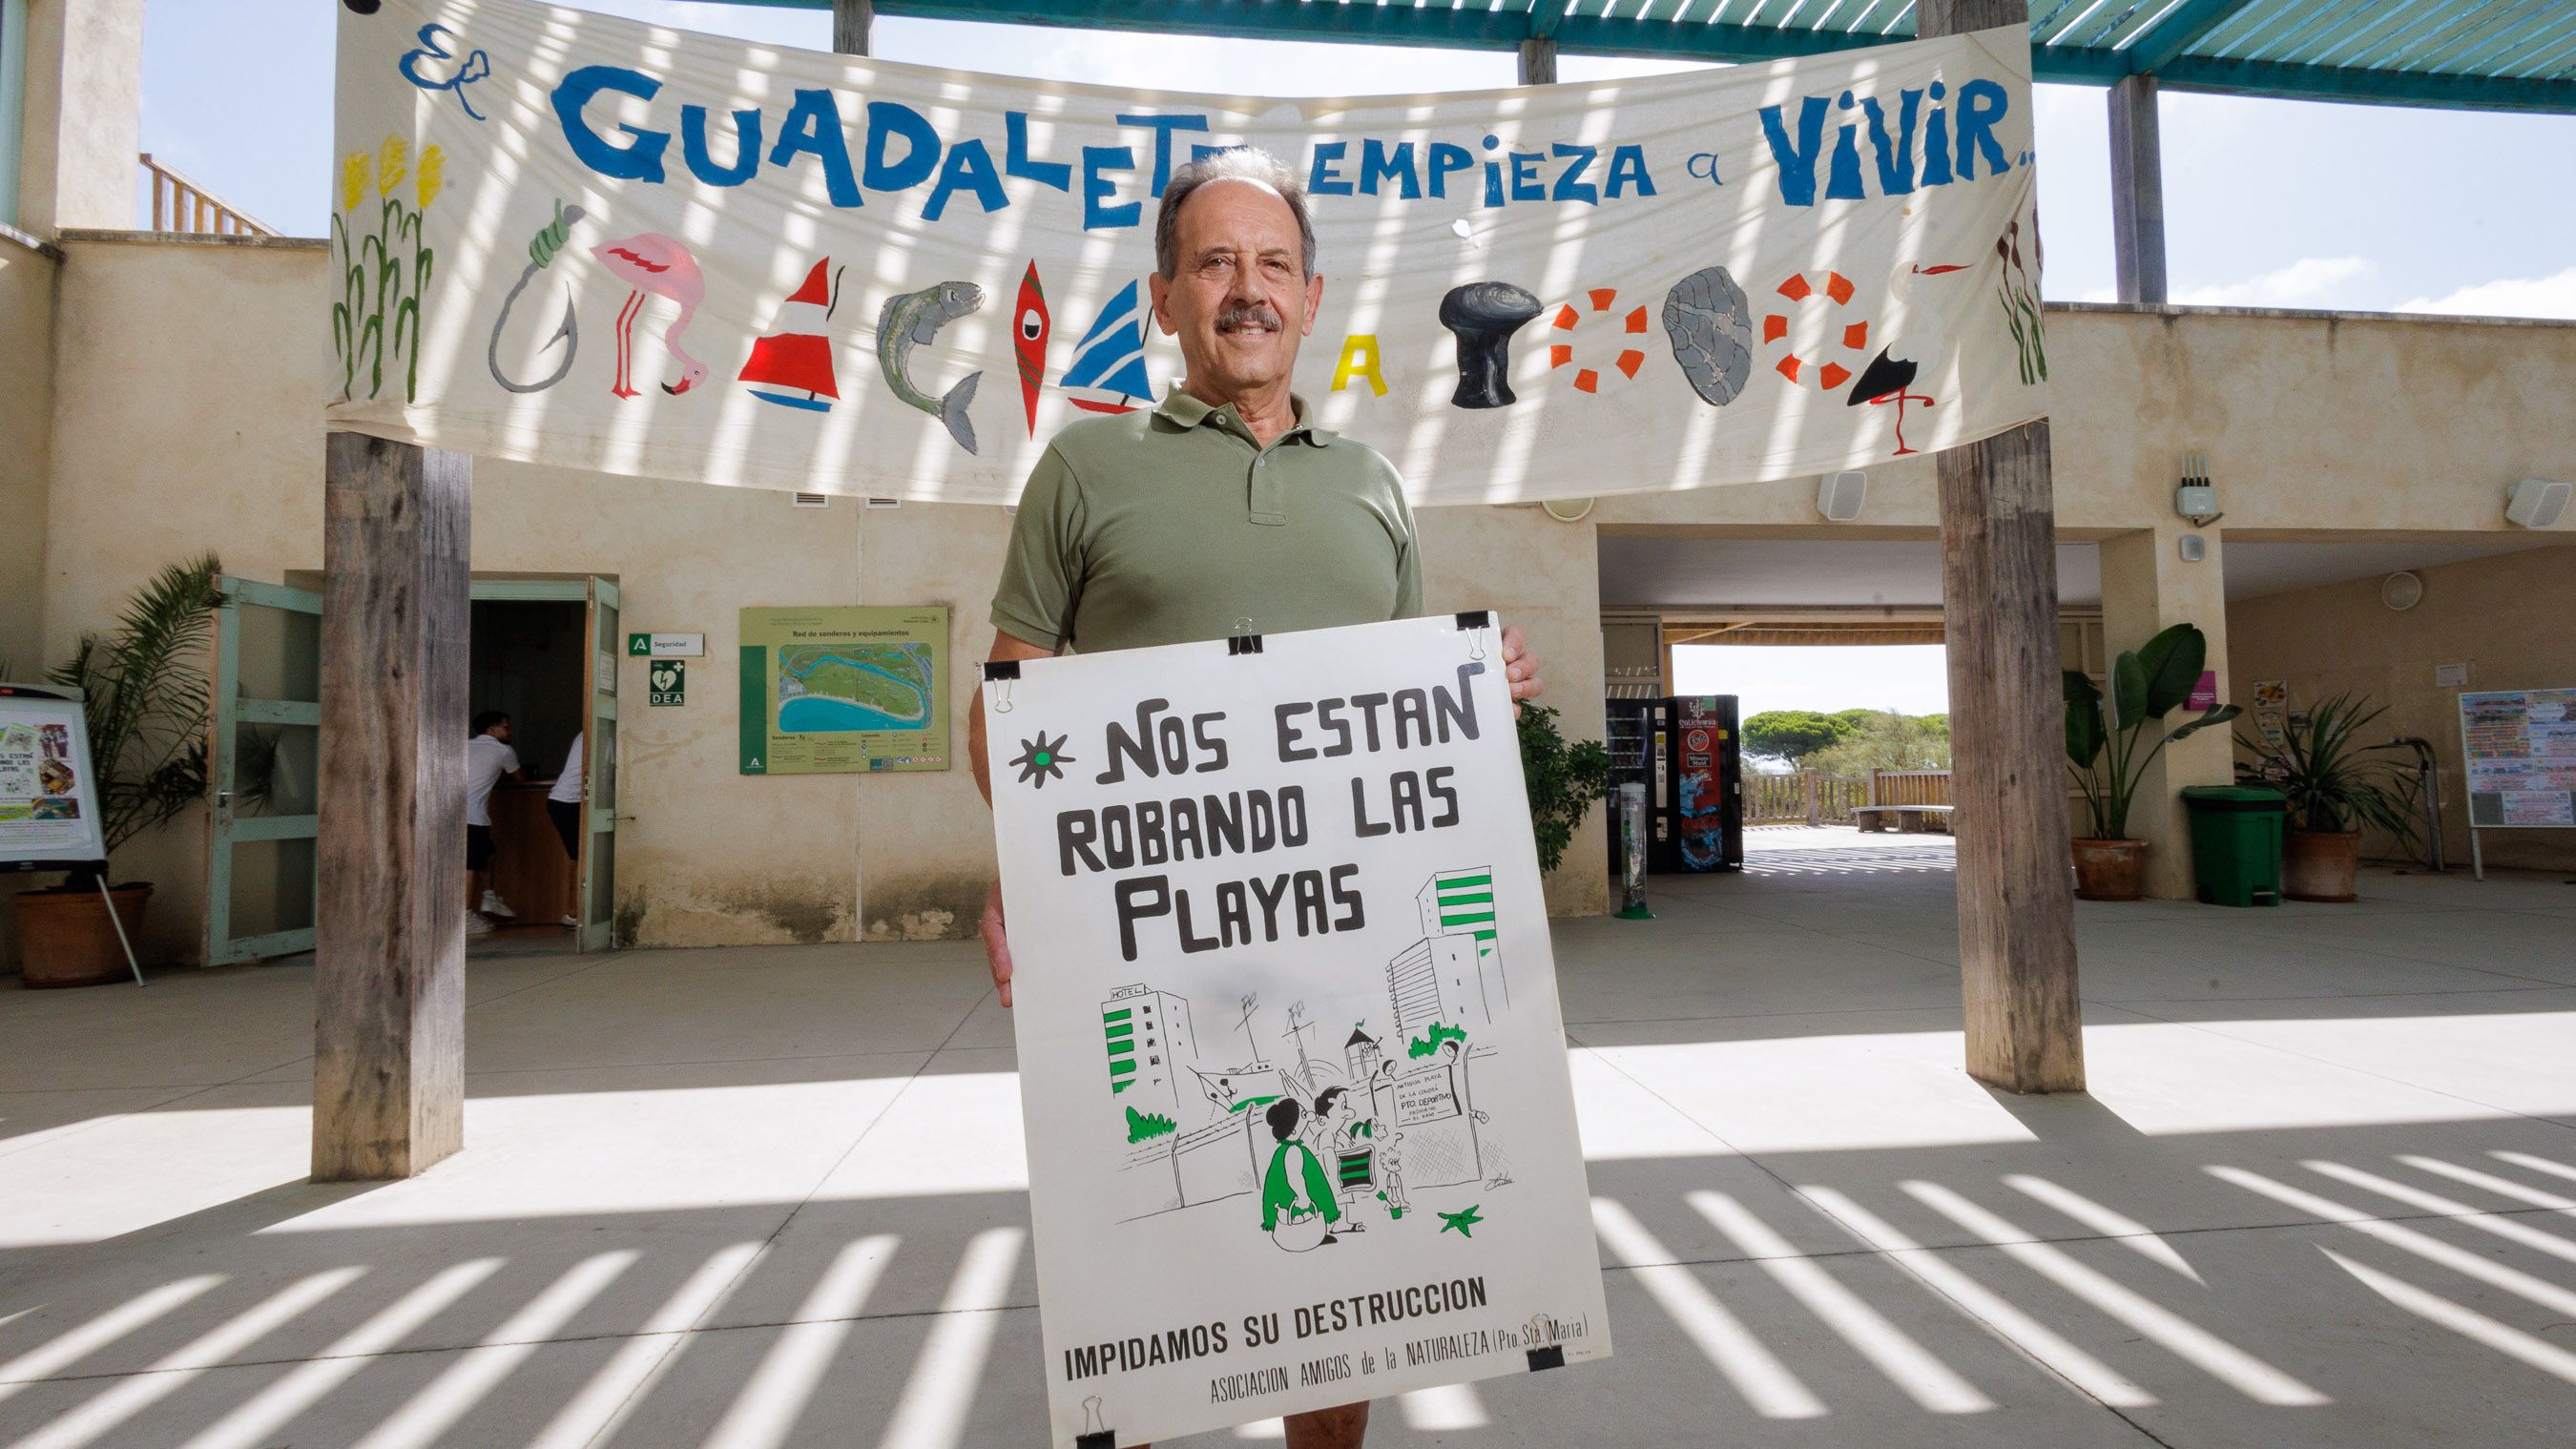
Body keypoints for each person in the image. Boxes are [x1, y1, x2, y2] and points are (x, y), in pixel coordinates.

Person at [967, 148, 1545, 1449]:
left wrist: (1480, 683)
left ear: (1312, 293)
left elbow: (1415, 729)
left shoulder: (1372, 483)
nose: (1247, 288)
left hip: (1341, 941)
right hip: (1149, 934)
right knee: (1153, 1270)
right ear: (1165, 297)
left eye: (1272, 263)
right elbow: (1012, 696)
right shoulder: (1086, 466)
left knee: (1342, 1280)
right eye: (1215, 262)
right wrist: (1029, 877)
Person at [464, 711, 523, 937]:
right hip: (474, 816)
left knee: (488, 853)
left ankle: (489, 898)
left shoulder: (464, 745)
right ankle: (465, 915)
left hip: (452, 814)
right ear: (491, 730)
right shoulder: (503, 751)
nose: (509, 731)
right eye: (505, 727)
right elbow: (520, 778)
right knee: (471, 866)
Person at [547, 731, 584, 929]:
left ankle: (576, 911)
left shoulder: (587, 733)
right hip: (568, 802)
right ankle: (572, 912)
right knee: (578, 858)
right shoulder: (594, 732)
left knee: (579, 857)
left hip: (570, 802)